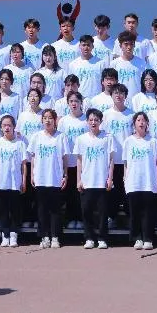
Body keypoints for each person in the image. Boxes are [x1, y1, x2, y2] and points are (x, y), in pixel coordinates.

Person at [73, 108, 116, 249]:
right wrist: (79, 180)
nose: (93, 122)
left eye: (96, 120)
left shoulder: (108, 138)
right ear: (87, 121)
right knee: (86, 212)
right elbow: (79, 160)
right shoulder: (81, 139)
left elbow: (111, 160)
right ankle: (89, 238)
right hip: (87, 181)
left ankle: (102, 238)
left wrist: (110, 178)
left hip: (102, 181)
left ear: (100, 121)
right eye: (91, 120)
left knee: (103, 212)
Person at [27, 109, 69, 248]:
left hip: (55, 177)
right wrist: (32, 174)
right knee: (42, 209)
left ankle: (55, 236)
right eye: (45, 118)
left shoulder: (61, 136)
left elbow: (64, 158)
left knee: (55, 209)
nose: (47, 120)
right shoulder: (36, 136)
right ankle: (44, 236)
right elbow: (33, 157)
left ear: (55, 120)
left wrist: (65, 174)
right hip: (41, 177)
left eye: (50, 118)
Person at [124, 112, 157, 250]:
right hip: (133, 181)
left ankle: (148, 238)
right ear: (134, 124)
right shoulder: (128, 141)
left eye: (143, 120)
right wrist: (125, 178)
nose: (141, 122)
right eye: (138, 120)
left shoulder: (152, 141)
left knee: (148, 212)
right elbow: (126, 163)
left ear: (147, 123)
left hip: (148, 181)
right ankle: (137, 238)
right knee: (134, 212)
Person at [0, 115, 28, 247]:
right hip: (1, 181)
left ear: (14, 127)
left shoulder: (20, 143)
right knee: (3, 210)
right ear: (1, 128)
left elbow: (23, 165)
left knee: (15, 209)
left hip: (15, 182)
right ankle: (5, 234)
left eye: (9, 125)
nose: (7, 128)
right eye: (4, 125)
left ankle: (14, 234)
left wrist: (23, 181)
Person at [100, 83, 134, 228]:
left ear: (125, 96)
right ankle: (111, 217)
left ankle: (129, 218)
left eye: (121, 93)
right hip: (111, 160)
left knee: (127, 190)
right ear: (111, 95)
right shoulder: (106, 115)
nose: (118, 96)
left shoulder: (132, 115)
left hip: (127, 160)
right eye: (115, 93)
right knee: (111, 191)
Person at [57, 90, 88, 229]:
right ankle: (70, 218)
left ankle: (81, 219)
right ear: (67, 103)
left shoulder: (86, 120)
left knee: (81, 191)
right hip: (68, 161)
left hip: (83, 162)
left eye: (76, 101)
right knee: (70, 192)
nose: (74, 104)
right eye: (71, 101)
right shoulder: (63, 121)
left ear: (81, 103)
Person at [111, 31, 149, 96]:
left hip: (137, 99)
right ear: (120, 46)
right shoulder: (114, 64)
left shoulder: (142, 63)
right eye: (126, 44)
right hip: (120, 99)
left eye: (131, 44)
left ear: (134, 45)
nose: (129, 47)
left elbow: (146, 83)